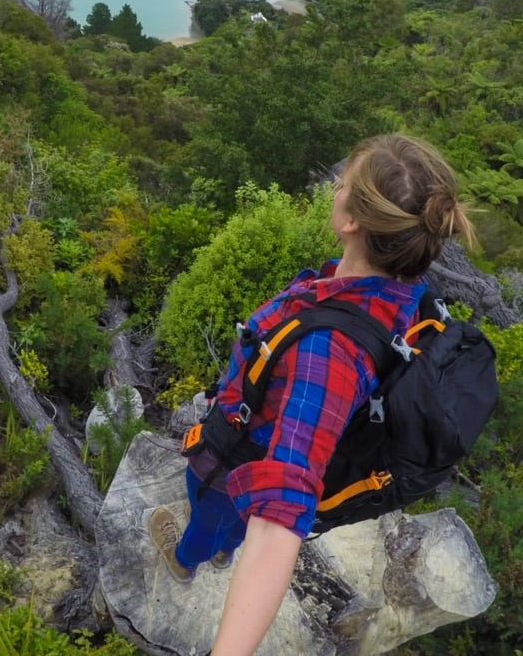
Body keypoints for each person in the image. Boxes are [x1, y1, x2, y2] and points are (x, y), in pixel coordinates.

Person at [148, 134, 475, 656]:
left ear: (352, 222)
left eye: (341, 185)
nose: (334, 190)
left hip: (236, 460)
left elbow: (281, 516)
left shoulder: (328, 352)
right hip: (268, 432)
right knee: (230, 529)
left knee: (211, 517)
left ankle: (187, 559)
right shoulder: (405, 294)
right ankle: (221, 548)